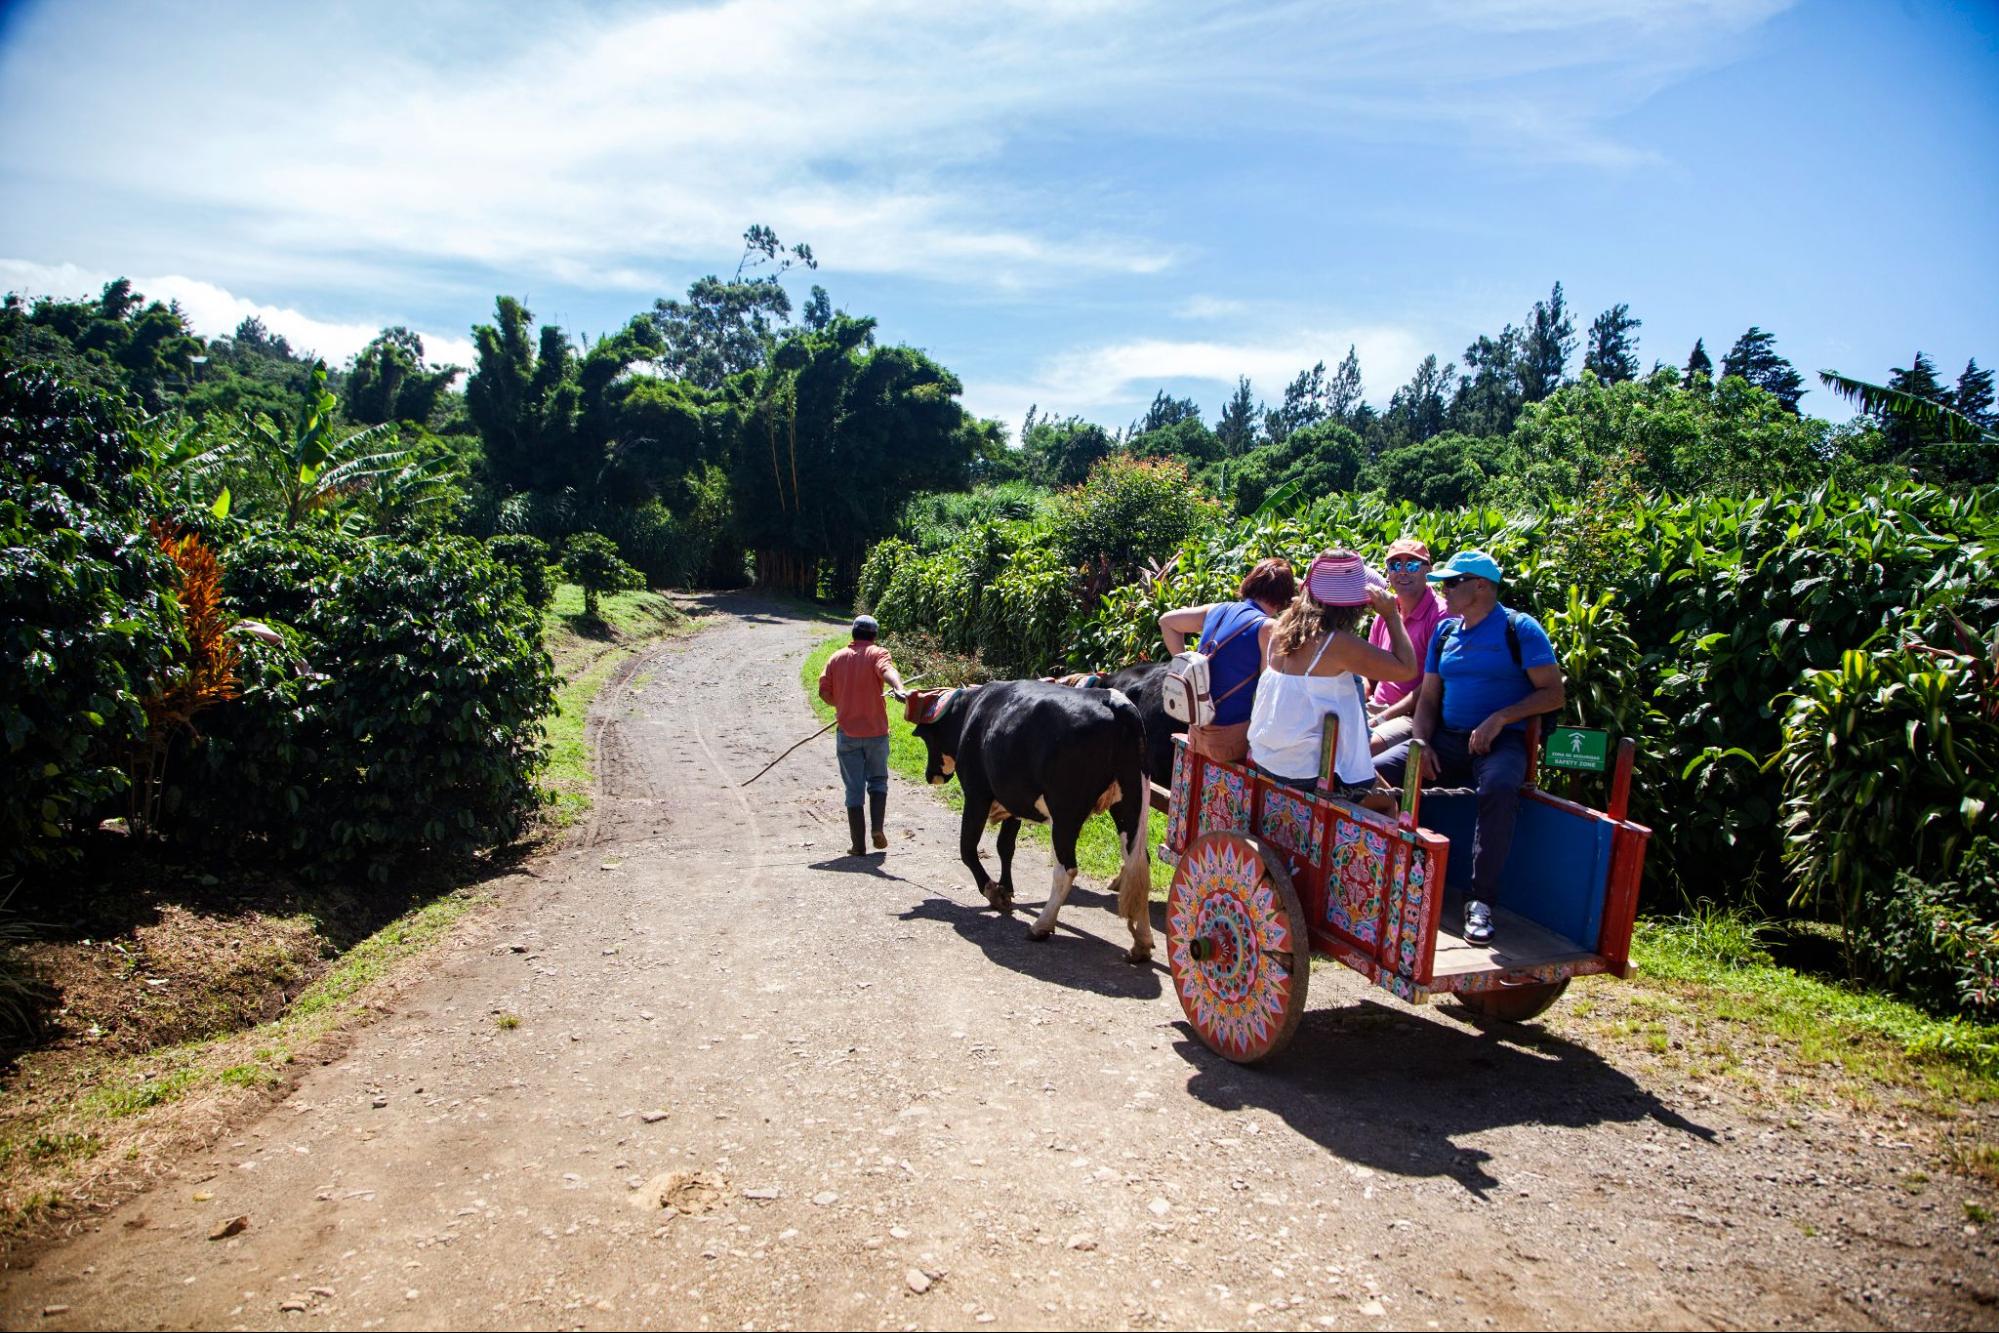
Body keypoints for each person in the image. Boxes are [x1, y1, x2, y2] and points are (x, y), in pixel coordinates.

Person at [1373, 550, 1564, 946]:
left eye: (1452, 582)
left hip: (1500, 742)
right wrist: (1421, 742)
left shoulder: (1519, 629)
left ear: (1481, 586)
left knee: (1498, 789)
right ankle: (1384, 880)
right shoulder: (1446, 633)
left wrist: (1500, 719)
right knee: (1372, 773)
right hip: (1447, 739)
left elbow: (1553, 693)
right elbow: (1427, 698)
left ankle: (1481, 903)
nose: (1445, 589)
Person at [1245, 551, 1418, 806]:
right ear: (1351, 606)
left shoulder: (1280, 628)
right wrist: (1391, 615)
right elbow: (1407, 669)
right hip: (1308, 772)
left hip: (1267, 757)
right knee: (1388, 804)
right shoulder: (1335, 644)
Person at [1156, 557, 1296, 763]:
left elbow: (1166, 621)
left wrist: (1183, 663)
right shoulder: (1268, 628)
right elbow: (1268, 690)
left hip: (1196, 729)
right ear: (1282, 597)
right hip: (1230, 742)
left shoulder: (1218, 609)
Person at [816, 614, 907, 857]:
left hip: (848, 733)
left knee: (853, 789)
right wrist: (898, 688)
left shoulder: (836, 658)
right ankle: (877, 828)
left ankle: (858, 846)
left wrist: (842, 704)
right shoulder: (877, 653)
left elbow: (823, 691)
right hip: (876, 732)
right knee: (878, 780)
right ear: (874, 636)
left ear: (853, 634)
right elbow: (888, 670)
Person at [1365, 537, 1447, 754]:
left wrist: (1384, 716)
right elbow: (1369, 671)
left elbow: (1431, 686)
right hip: (1377, 708)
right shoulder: (1385, 612)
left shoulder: (1441, 616)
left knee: (1362, 748)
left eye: (1411, 564)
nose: (1402, 571)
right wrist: (1362, 696)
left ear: (1428, 570)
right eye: (1394, 565)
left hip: (1414, 716)